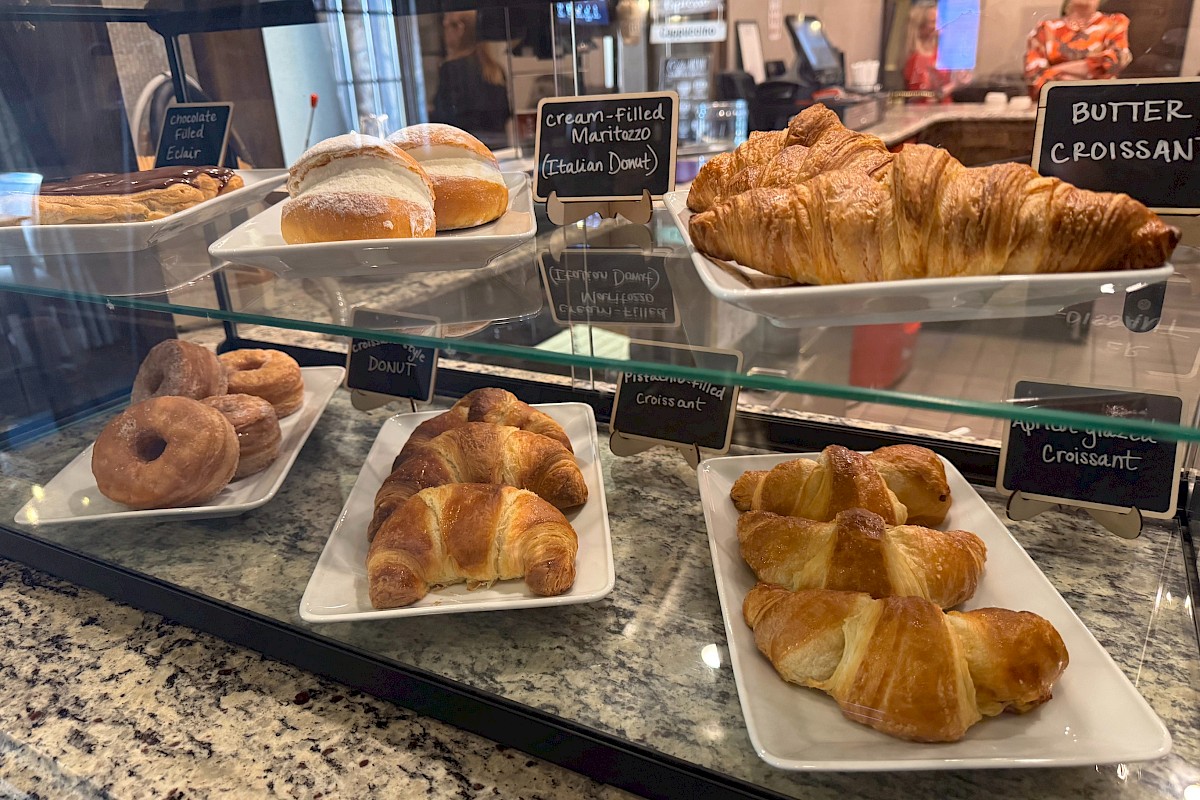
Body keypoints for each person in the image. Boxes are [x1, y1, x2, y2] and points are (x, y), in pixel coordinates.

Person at [431, 10, 511, 149]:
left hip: (467, 152)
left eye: (446, 26)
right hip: (497, 149)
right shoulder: (495, 69)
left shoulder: (451, 69)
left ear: (460, 29)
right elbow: (505, 114)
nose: (444, 33)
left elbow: (444, 120)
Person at [1024, 0, 1132, 100]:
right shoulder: (1046, 28)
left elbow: (1115, 60)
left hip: (1101, 103)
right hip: (1058, 104)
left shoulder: (1115, 22)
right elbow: (1036, 79)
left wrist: (1055, 71)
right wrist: (1091, 77)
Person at [902, 2, 969, 103]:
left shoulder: (939, 52)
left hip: (945, 111)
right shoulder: (916, 59)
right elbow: (927, 98)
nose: (940, 24)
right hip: (925, 114)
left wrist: (960, 76)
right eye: (934, 21)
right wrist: (955, 84)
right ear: (921, 27)